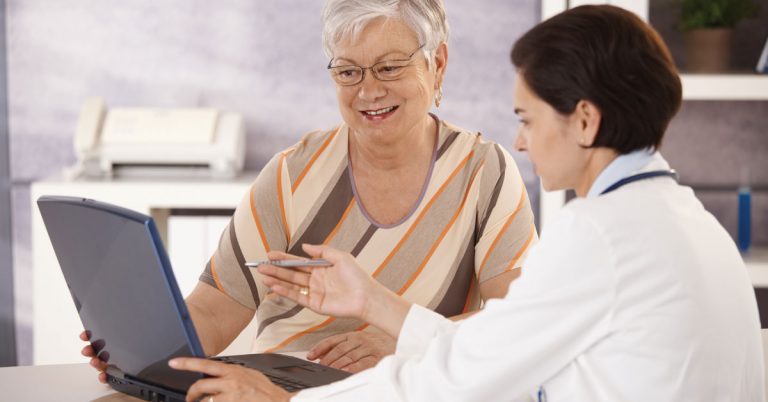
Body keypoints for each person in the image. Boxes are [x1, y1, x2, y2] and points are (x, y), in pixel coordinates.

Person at [169, 4, 765, 401]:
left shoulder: (598, 235)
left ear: (584, 121)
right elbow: (494, 348)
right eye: (348, 71)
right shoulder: (684, 220)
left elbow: (469, 371)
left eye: (528, 119)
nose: (522, 141)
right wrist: (374, 302)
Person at [81, 0, 536, 381]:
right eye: (348, 72)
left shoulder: (486, 173)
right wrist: (140, 353)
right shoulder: (290, 175)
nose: (369, 91)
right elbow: (216, 310)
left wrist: (406, 336)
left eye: (389, 67)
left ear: (437, 64)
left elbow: (520, 321)